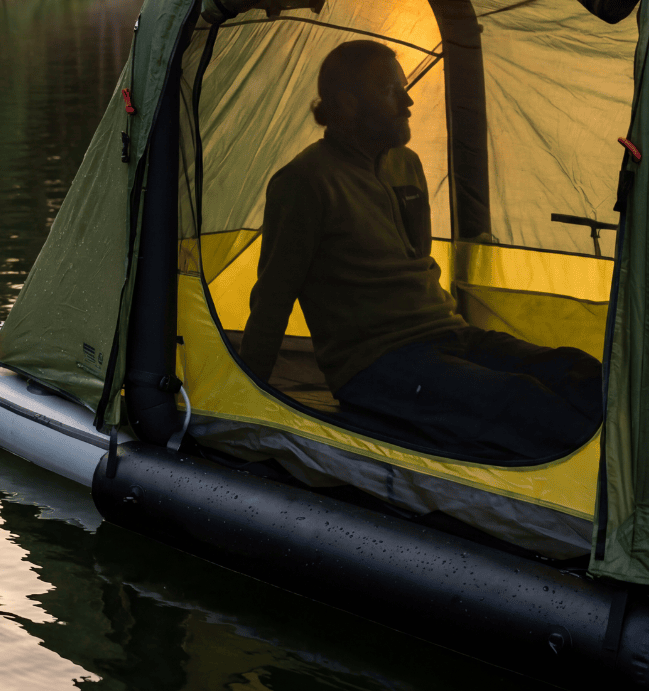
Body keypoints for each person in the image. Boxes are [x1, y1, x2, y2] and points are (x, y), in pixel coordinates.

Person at [238, 40, 602, 464]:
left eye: (404, 88)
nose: (408, 102)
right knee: (526, 403)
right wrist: (244, 402)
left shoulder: (405, 165)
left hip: (449, 333)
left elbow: (416, 262)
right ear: (347, 104)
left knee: (580, 372)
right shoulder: (305, 182)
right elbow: (272, 299)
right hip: (376, 363)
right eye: (390, 90)